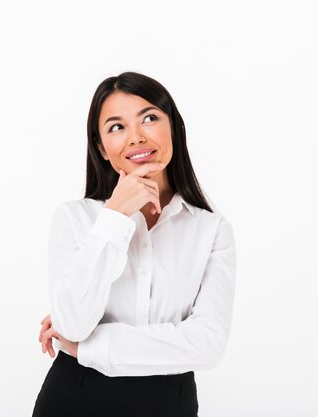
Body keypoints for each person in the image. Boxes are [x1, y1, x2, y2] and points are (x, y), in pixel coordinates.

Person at [31, 71, 237, 417]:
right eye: (116, 127)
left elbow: (208, 345)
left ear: (174, 127)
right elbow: (73, 324)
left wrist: (88, 347)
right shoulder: (74, 219)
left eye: (150, 118)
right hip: (74, 398)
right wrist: (116, 214)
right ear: (101, 147)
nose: (136, 138)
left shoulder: (211, 229)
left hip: (168, 403)